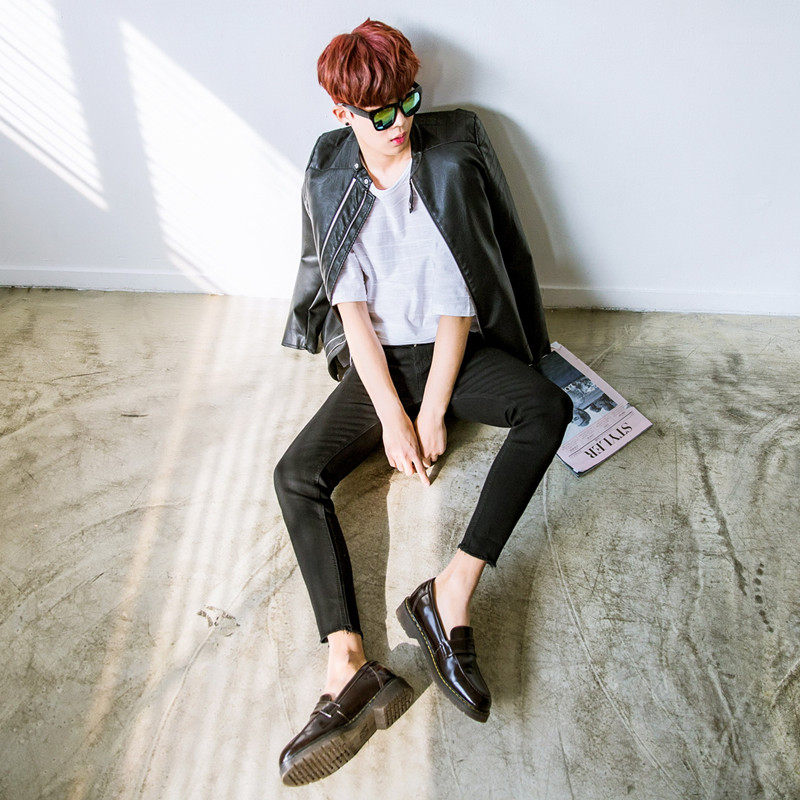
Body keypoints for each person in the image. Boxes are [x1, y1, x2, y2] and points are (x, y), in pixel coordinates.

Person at [274, 17, 573, 786]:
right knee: (295, 476)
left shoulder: (446, 160)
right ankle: (348, 664)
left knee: (547, 408)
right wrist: (391, 416)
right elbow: (350, 314)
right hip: (380, 361)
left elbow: (456, 304)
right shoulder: (330, 175)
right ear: (340, 112)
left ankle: (449, 593)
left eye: (407, 100)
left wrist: (433, 409)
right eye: (378, 112)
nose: (399, 121)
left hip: (450, 351)